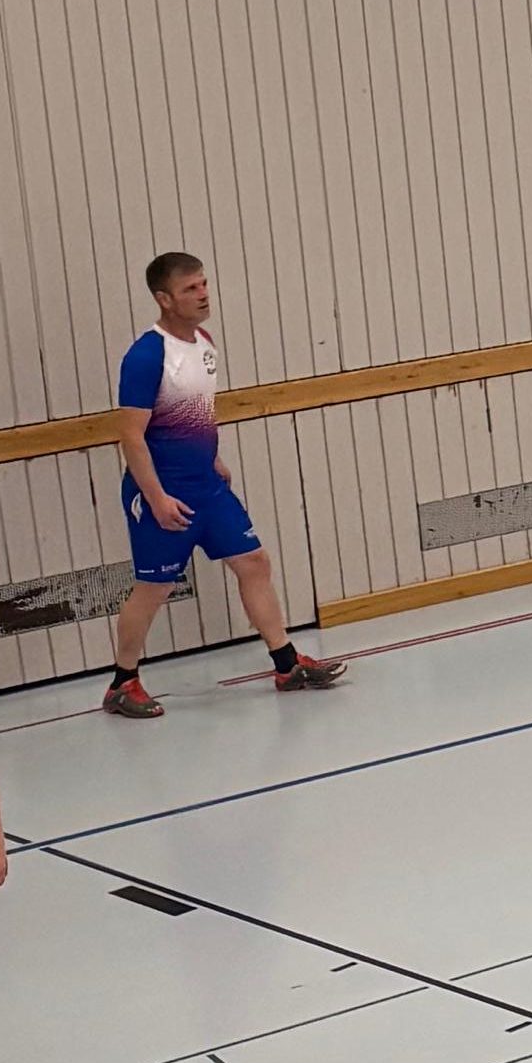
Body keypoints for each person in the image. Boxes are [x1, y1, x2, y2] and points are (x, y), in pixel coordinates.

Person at [104, 252, 346, 719]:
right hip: (163, 492)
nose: (203, 295)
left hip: (207, 488)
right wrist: (156, 498)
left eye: (204, 284)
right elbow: (131, 436)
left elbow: (196, 410)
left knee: (254, 562)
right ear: (164, 299)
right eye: (190, 289)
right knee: (154, 588)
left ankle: (286, 665)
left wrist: (212, 457)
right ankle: (122, 682)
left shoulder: (205, 343)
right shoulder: (146, 356)